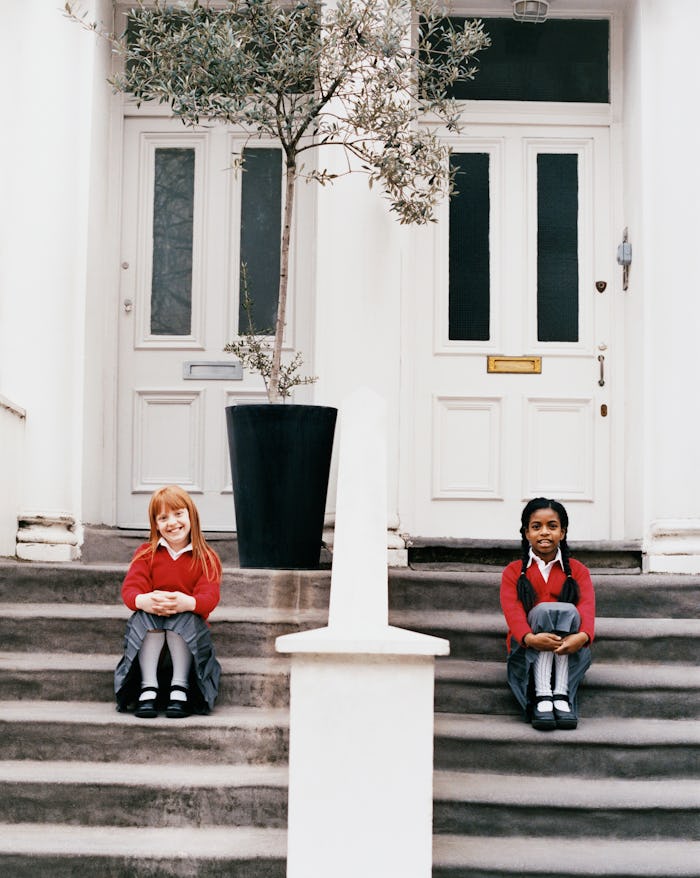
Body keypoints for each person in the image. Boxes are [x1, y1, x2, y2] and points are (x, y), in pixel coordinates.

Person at [114, 485, 222, 718]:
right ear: (155, 524)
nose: (172, 522)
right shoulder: (146, 554)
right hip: (152, 629)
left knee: (181, 619)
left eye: (178, 514)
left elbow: (210, 597)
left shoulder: (206, 557)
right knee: (145, 617)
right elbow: (130, 590)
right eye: (163, 518)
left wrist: (188, 603)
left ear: (191, 515)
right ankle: (148, 687)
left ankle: (180, 687)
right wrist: (144, 600)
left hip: (189, 635)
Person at [500, 497, 595, 731]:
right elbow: (513, 612)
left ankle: (560, 693)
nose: (545, 532)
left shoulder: (578, 571)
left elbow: (587, 608)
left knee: (569, 610)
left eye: (552, 526)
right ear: (526, 533)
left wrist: (582, 636)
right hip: (528, 644)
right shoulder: (513, 572)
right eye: (536, 527)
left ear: (562, 532)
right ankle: (543, 693)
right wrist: (530, 638)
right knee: (543, 610)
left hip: (568, 646)